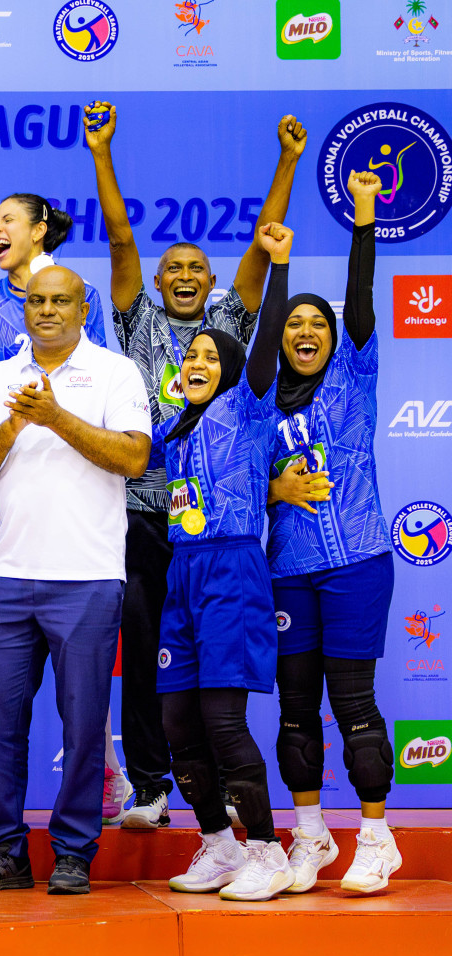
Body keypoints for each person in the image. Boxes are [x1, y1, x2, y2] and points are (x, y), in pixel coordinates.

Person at [87, 104, 307, 829]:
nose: (184, 275)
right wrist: (102, 152)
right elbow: (120, 239)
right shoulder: (138, 322)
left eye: (196, 269)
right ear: (157, 281)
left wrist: (287, 162)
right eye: (173, 268)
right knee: (149, 656)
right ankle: (150, 785)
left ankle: (231, 797)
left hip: (214, 536)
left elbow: (262, 249)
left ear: (211, 282)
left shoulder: (228, 328)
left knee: (213, 669)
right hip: (143, 519)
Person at [0, 266, 151, 896]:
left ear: (83, 308)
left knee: (84, 725)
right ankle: (4, 852)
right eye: (36, 301)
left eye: (60, 301)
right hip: (6, 576)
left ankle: (73, 852)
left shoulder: (116, 372)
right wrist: (16, 423)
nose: (46, 310)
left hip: (88, 577)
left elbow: (134, 456)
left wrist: (55, 416)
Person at [0, 193, 117, 826]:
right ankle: (2, 817)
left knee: (82, 667)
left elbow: (104, 378)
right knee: (2, 646)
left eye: (7, 220)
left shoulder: (77, 294)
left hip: (71, 491)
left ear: (39, 231)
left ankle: (103, 770)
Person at [147, 224, 292, 901]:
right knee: (178, 722)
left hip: (232, 569)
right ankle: (220, 846)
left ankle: (268, 851)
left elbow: (263, 344)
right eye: (190, 355)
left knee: (223, 723)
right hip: (182, 572)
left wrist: (277, 266)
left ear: (229, 369)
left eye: (211, 354)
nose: (197, 361)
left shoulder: (248, 405)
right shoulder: (172, 430)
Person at [266, 172, 399, 894]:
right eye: (294, 325)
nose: (306, 332)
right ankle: (311, 836)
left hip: (355, 564)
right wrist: (274, 488)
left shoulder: (353, 377)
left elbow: (362, 292)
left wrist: (365, 213)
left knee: (351, 704)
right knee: (294, 713)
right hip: (288, 570)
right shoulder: (261, 405)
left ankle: (376, 839)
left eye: (317, 323)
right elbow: (234, 485)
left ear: (334, 335)